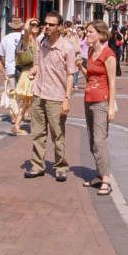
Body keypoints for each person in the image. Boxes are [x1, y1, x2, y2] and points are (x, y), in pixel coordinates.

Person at [25, 11, 76, 182]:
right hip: (39, 94)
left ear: (60, 27)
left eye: (51, 24)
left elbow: (70, 74)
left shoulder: (67, 48)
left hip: (56, 96)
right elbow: (38, 63)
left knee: (57, 134)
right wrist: (34, 70)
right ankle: (37, 165)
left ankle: (61, 166)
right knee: (38, 133)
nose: (47, 27)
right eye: (45, 23)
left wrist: (67, 98)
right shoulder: (41, 42)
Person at [75, 20, 116, 196]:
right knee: (92, 140)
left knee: (100, 140)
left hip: (101, 100)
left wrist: (111, 106)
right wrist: (80, 67)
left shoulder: (109, 54)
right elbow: (91, 75)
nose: (87, 34)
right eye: (86, 31)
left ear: (100, 34)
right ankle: (99, 174)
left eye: (90, 32)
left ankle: (106, 178)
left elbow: (112, 81)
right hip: (88, 98)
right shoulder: (91, 51)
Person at [11, 18, 41, 135]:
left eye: (37, 25)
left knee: (29, 103)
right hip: (29, 74)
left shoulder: (39, 40)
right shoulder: (28, 39)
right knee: (30, 102)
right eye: (33, 25)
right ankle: (19, 125)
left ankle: (17, 125)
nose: (35, 26)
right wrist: (28, 22)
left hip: (37, 74)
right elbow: (26, 31)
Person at [0, 17, 24, 119]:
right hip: (23, 69)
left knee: (12, 92)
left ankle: (14, 114)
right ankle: (20, 113)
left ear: (11, 27)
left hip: (10, 68)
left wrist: (5, 66)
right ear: (21, 26)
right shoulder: (25, 37)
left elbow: (1, 56)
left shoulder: (5, 38)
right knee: (23, 92)